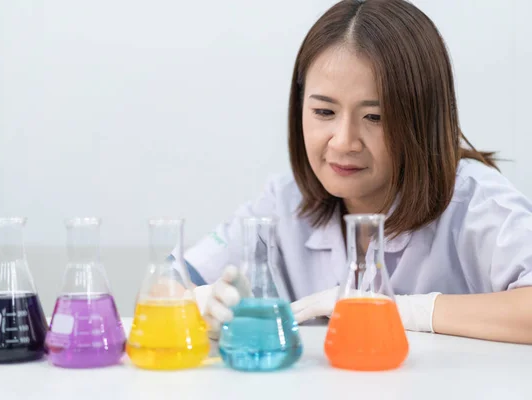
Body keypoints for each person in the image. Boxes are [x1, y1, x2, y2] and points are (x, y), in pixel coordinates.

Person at [184, 0, 532, 344]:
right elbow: (169, 283)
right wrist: (196, 303)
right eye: (323, 112)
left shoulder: (475, 202)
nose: (344, 141)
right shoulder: (283, 203)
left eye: (375, 117)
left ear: (422, 119)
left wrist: (399, 310)